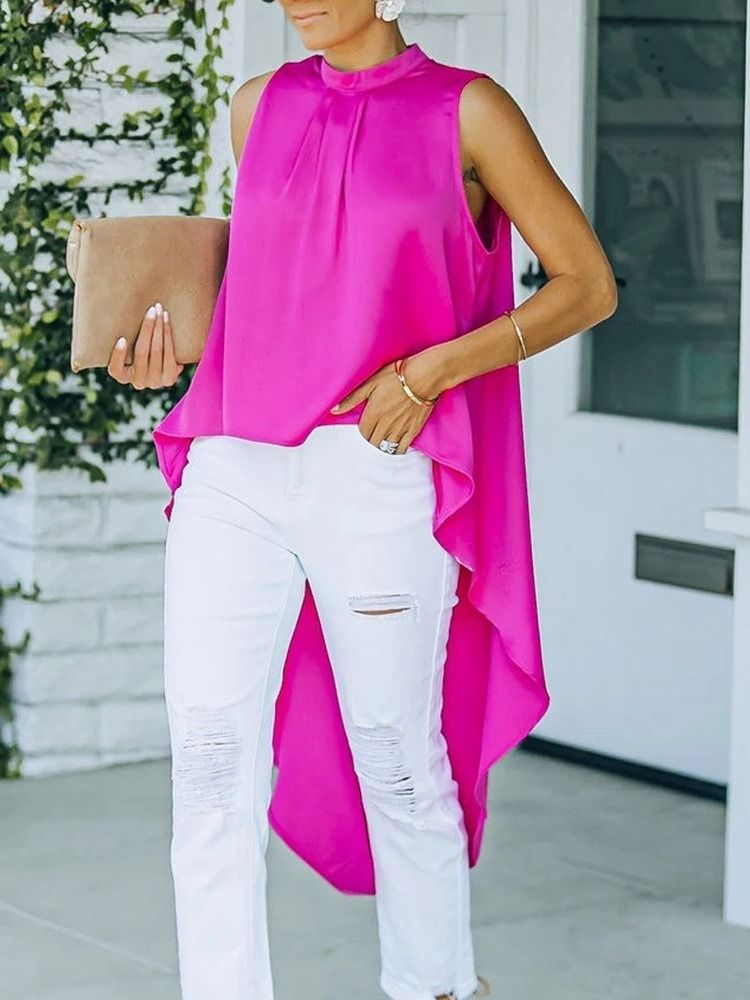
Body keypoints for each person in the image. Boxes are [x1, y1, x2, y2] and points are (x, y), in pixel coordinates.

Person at [107, 2, 618, 998]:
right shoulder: (257, 106)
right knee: (208, 766)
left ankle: (434, 986)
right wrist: (169, 350)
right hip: (232, 467)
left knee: (395, 756)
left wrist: (431, 373)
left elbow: (586, 283)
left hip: (376, 470)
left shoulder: (470, 111)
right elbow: (279, 293)